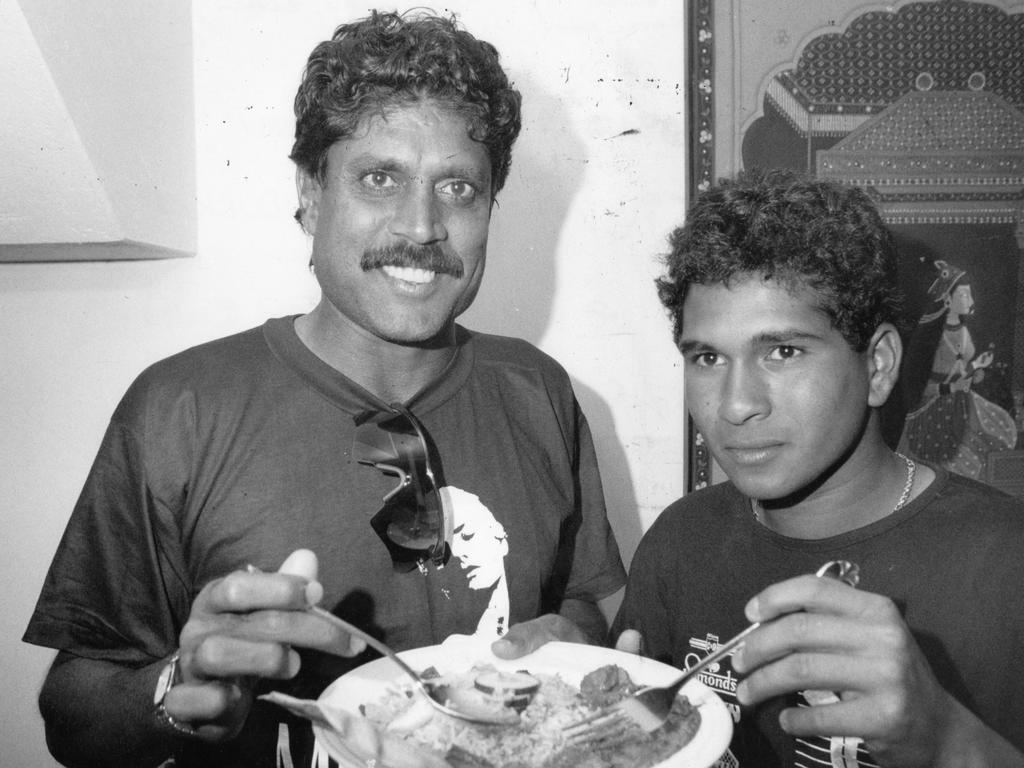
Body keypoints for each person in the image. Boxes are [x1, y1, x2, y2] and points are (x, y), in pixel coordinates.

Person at [24, 10, 625, 768]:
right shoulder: (180, 408)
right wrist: (181, 688)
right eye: (380, 178)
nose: (422, 225)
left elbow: (582, 605)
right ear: (311, 194)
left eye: (459, 188)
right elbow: (70, 715)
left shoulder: (538, 390)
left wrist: (570, 642)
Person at [612, 169, 1024, 767]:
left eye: (782, 351)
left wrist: (944, 738)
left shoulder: (1005, 564)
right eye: (707, 357)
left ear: (878, 366)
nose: (735, 405)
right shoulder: (679, 542)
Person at [898, 258, 1017, 478]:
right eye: (963, 295)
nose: (969, 300)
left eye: (969, 294)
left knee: (1000, 433)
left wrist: (977, 365)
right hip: (930, 412)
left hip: (959, 404)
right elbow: (919, 386)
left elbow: (960, 371)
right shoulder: (931, 339)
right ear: (947, 300)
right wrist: (952, 388)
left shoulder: (962, 331)